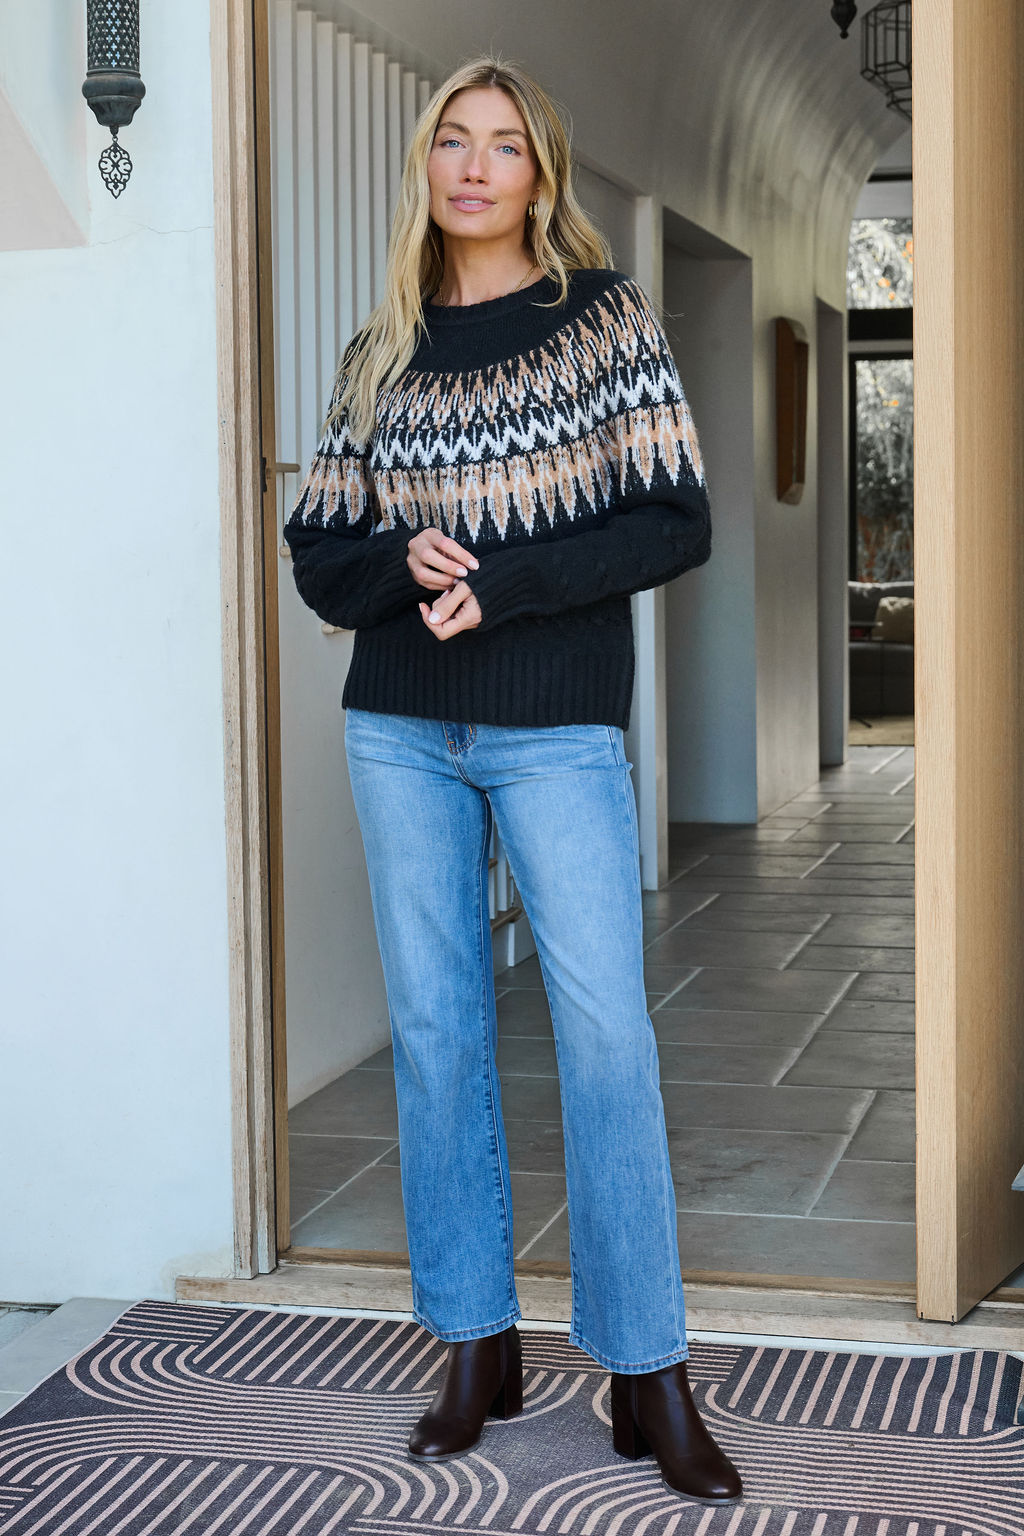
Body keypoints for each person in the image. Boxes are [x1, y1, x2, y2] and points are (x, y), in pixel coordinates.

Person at [284, 55, 742, 1507]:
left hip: (554, 725)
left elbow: (675, 521)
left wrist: (513, 585)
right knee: (435, 1030)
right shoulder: (381, 347)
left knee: (605, 1035)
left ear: (542, 175)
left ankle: (644, 1369)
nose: (475, 169)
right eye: (453, 144)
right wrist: (397, 570)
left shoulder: (603, 321)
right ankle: (476, 1344)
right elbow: (320, 552)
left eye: (505, 148)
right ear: (426, 166)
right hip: (401, 728)